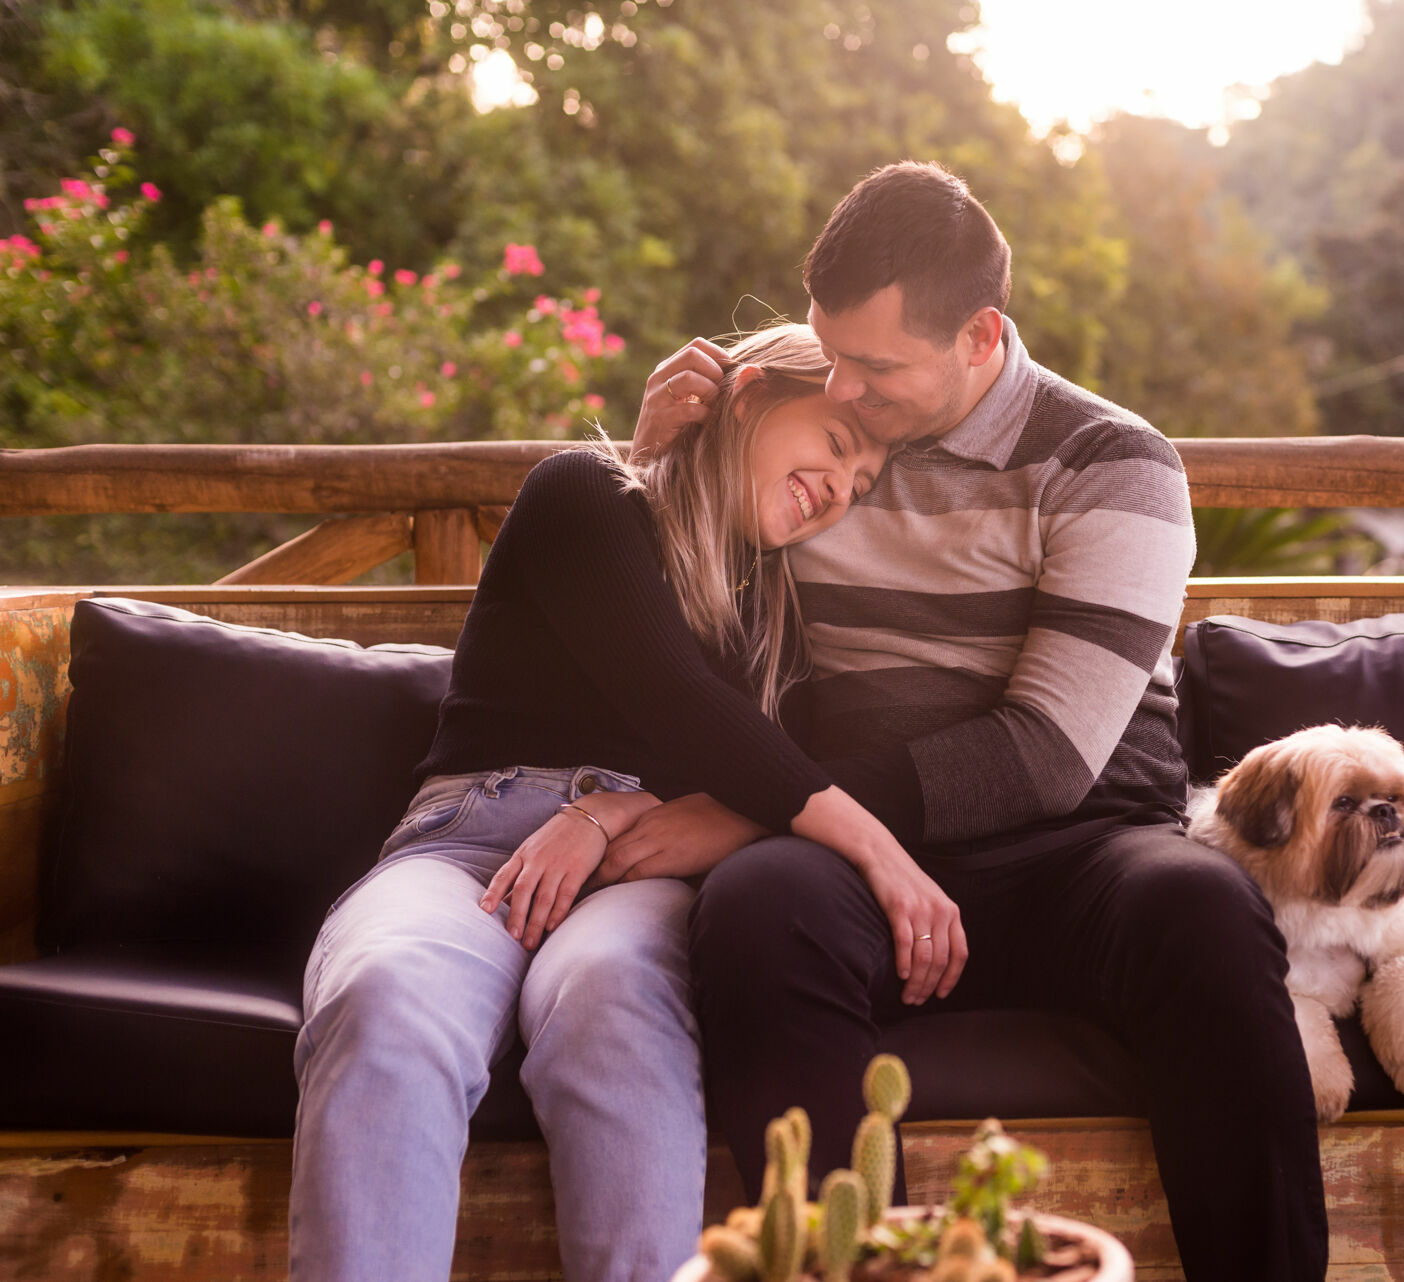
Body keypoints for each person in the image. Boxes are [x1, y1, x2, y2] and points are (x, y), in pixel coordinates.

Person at [634, 164, 1331, 1281]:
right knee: (761, 908)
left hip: (1082, 850)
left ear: (980, 335)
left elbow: (1047, 753)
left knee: (1205, 906)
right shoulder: (819, 428)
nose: (844, 388)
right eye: (829, 349)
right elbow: (678, 629)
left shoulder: (1115, 462)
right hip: (857, 857)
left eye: (876, 365)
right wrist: (657, 456)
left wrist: (758, 809)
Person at [288, 323, 964, 1282]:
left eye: (858, 489)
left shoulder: (786, 614)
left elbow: (784, 762)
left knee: (614, 1004)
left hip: (644, 870)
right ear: (752, 394)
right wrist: (883, 854)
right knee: (385, 999)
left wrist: (610, 813)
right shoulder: (585, 495)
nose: (837, 492)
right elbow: (678, 704)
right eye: (837, 446)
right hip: (468, 846)